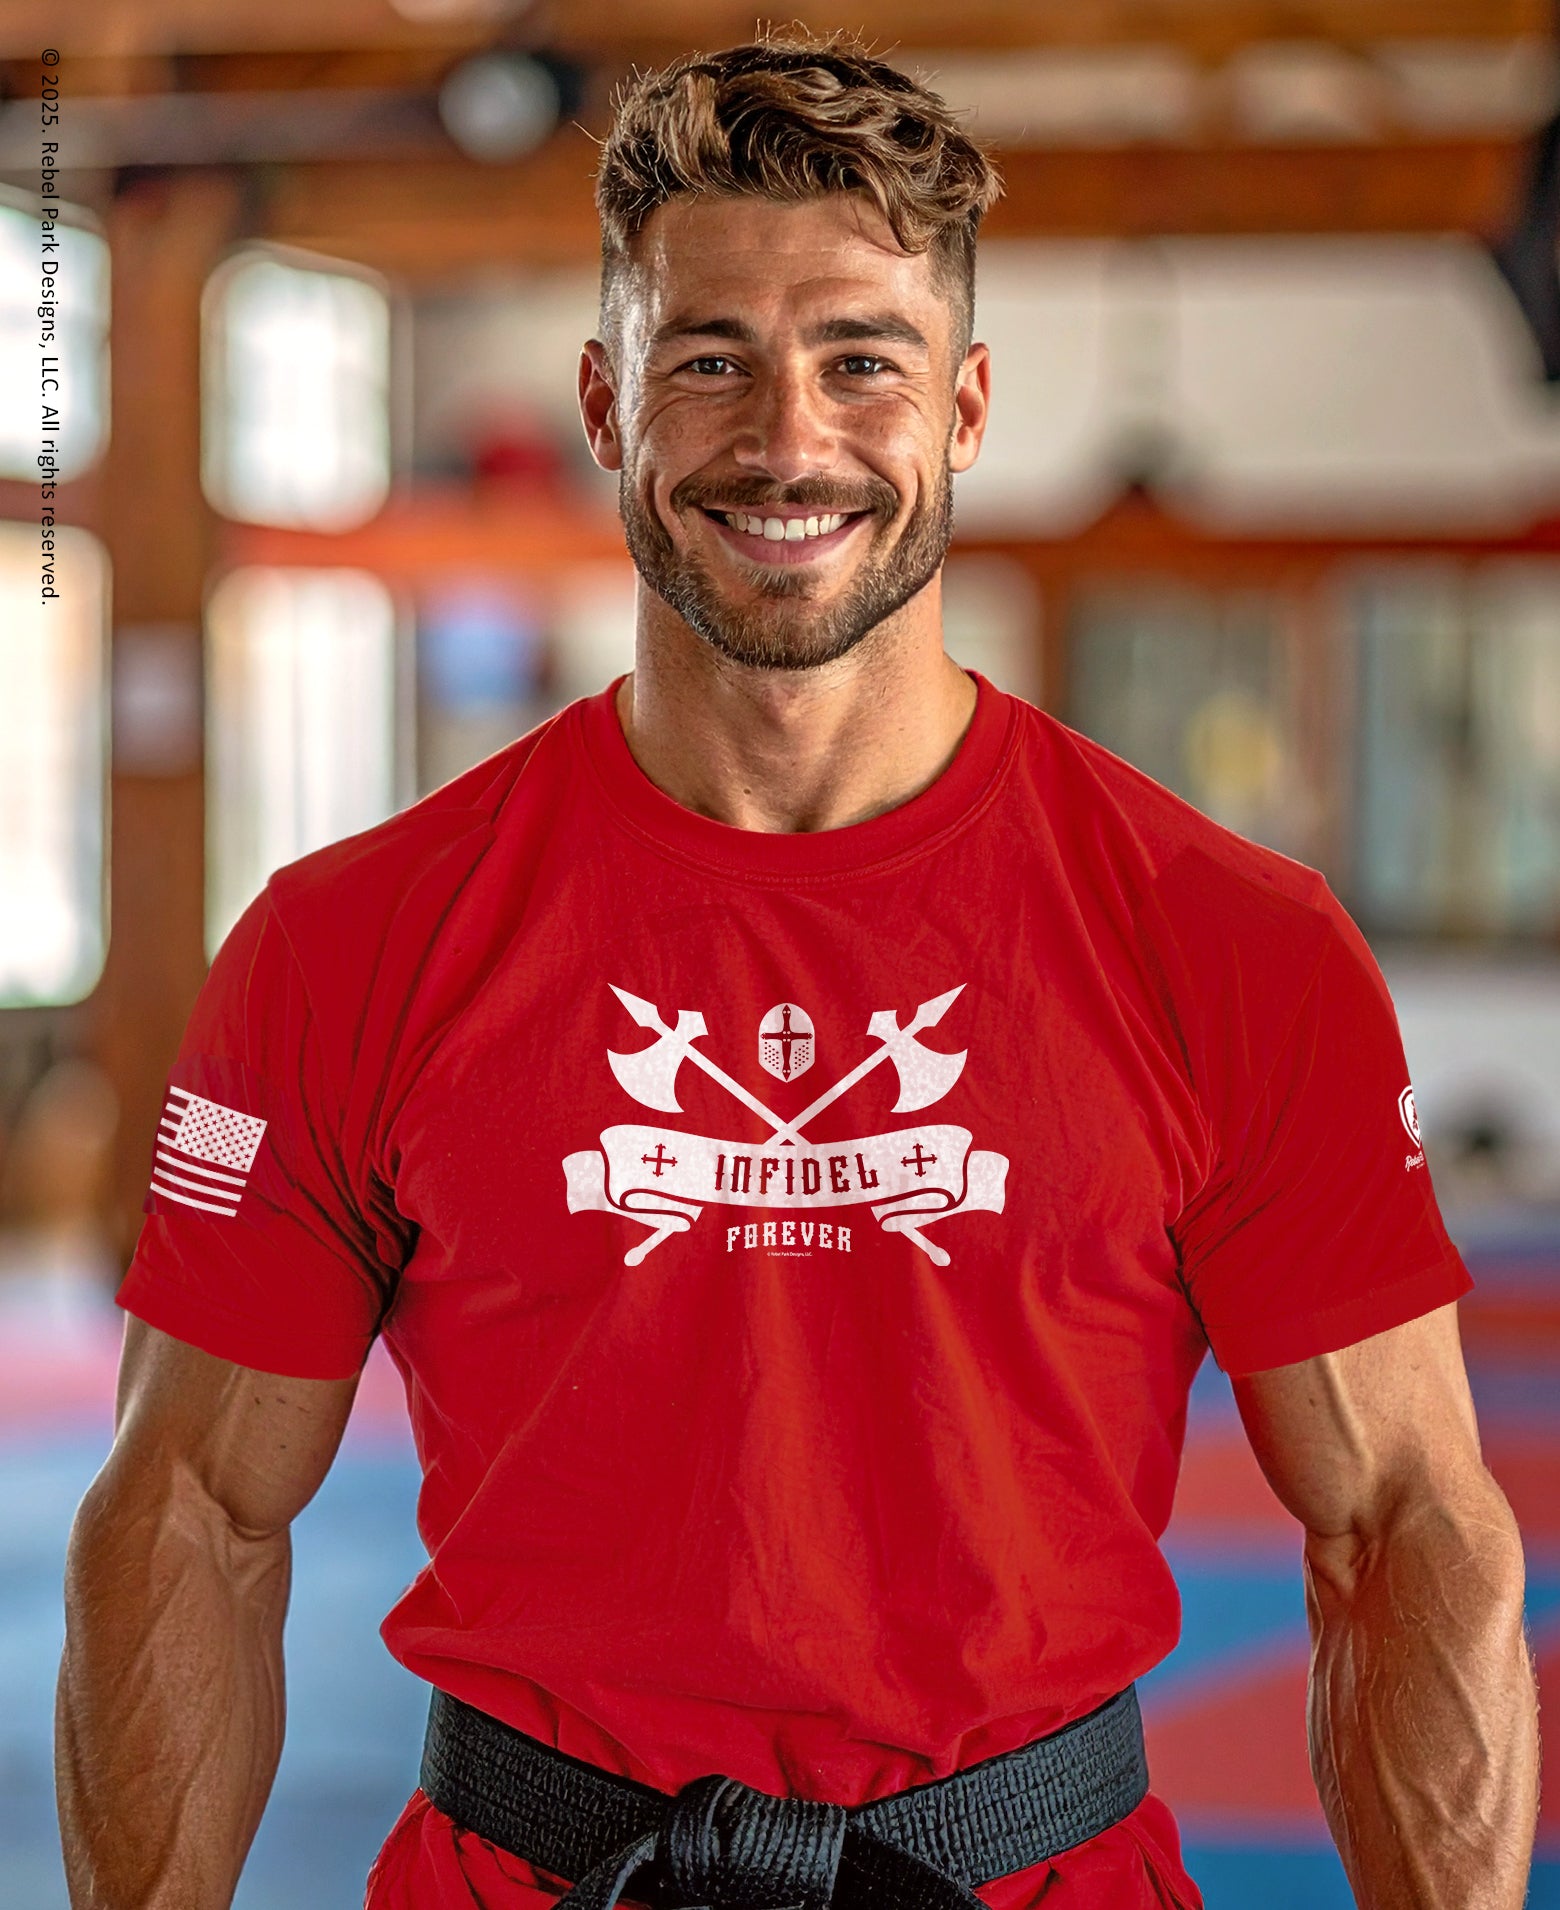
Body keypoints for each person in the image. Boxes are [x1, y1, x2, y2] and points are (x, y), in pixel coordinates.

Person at [58, 32, 1538, 1910]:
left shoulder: (1233, 947)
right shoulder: (351, 944)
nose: (787, 437)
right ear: (604, 402)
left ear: (969, 407)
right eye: (709, 361)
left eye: (863, 360)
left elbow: (1406, 1528)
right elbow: (187, 1509)